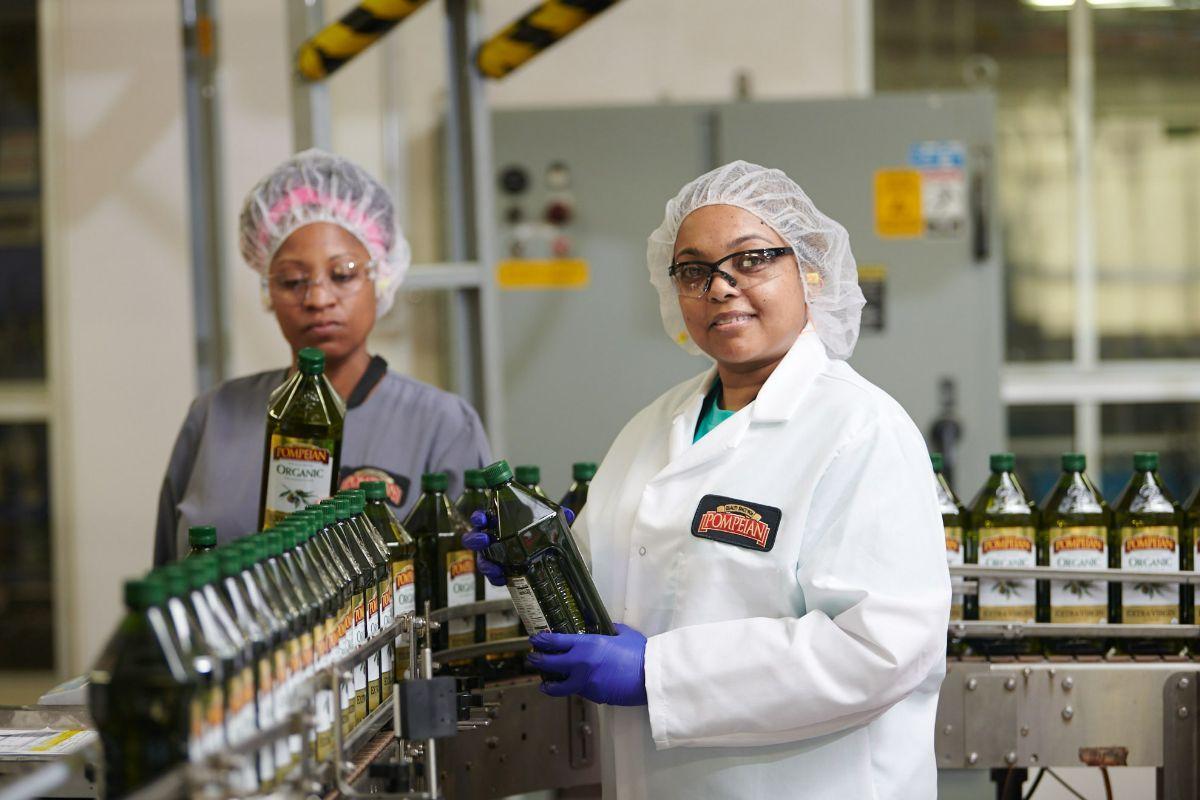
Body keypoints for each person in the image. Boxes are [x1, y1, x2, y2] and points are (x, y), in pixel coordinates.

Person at [468, 161, 949, 799]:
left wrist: (656, 673)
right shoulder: (649, 428)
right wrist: (540, 566)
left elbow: (878, 650)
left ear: (808, 272)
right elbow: (627, 584)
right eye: (694, 270)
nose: (720, 287)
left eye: (750, 260)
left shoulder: (861, 429)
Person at [155, 149, 490, 564]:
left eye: (343, 274)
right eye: (293, 280)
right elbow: (168, 580)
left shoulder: (442, 425)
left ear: (381, 277)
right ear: (267, 290)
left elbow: (469, 587)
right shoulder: (214, 416)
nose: (317, 298)